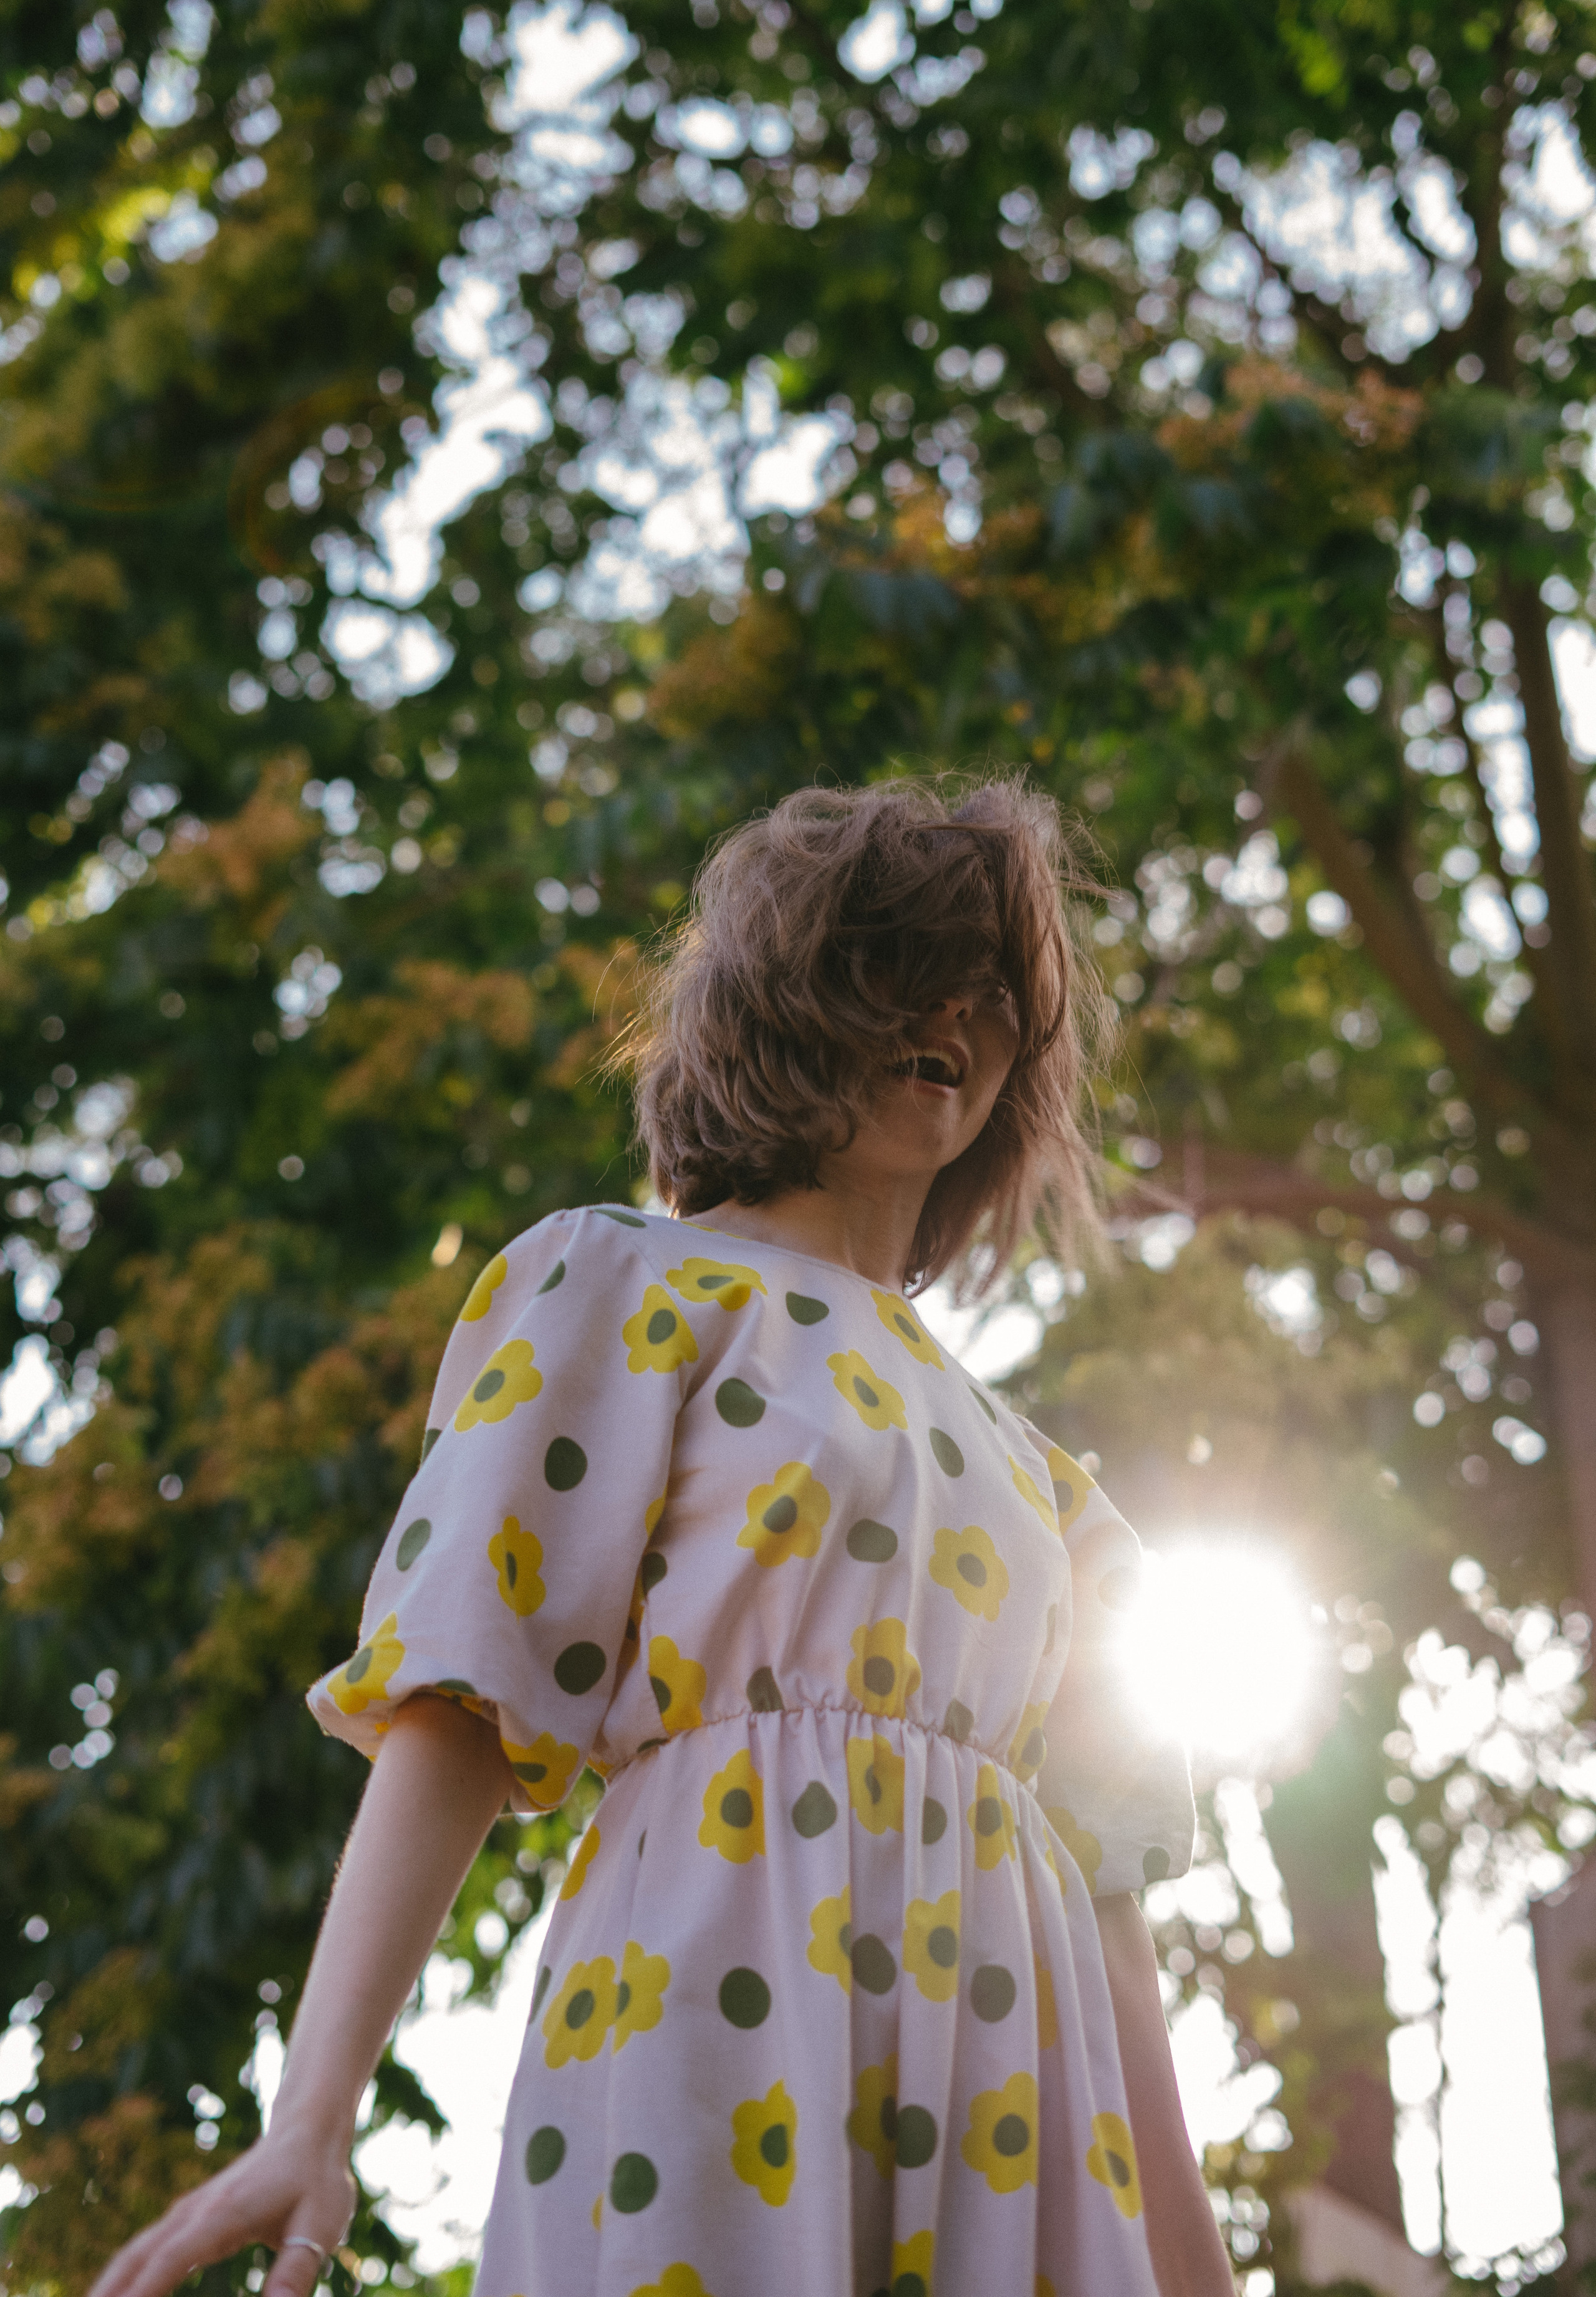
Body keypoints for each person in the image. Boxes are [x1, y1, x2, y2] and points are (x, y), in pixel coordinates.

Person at [90, 776, 1233, 2297]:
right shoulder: (624, 1289)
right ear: (790, 998)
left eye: (993, 993)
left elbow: (1107, 1914)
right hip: (716, 2024)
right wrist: (311, 2116)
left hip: (1003, 2117)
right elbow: (462, 1690)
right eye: (905, 967)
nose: (956, 1015)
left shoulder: (1050, 1495)